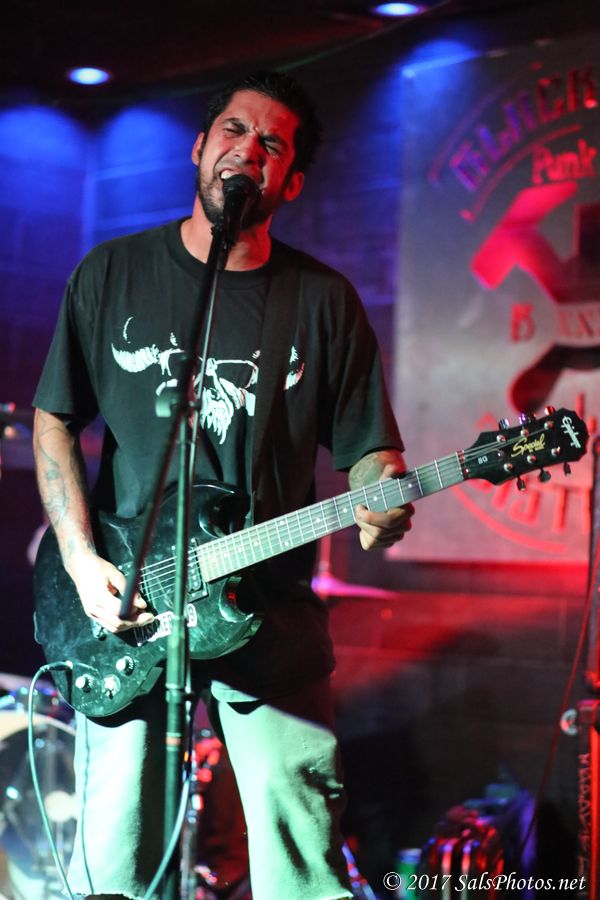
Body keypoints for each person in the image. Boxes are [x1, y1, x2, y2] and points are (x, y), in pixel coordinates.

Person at [32, 70, 414, 900]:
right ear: (200, 147)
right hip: (129, 608)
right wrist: (80, 560)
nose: (248, 151)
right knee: (113, 866)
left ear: (292, 181)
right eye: (234, 131)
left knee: (302, 864)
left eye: (272, 144)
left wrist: (381, 496)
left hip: (269, 610)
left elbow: (370, 452)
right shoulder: (112, 273)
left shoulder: (324, 302)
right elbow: (54, 417)